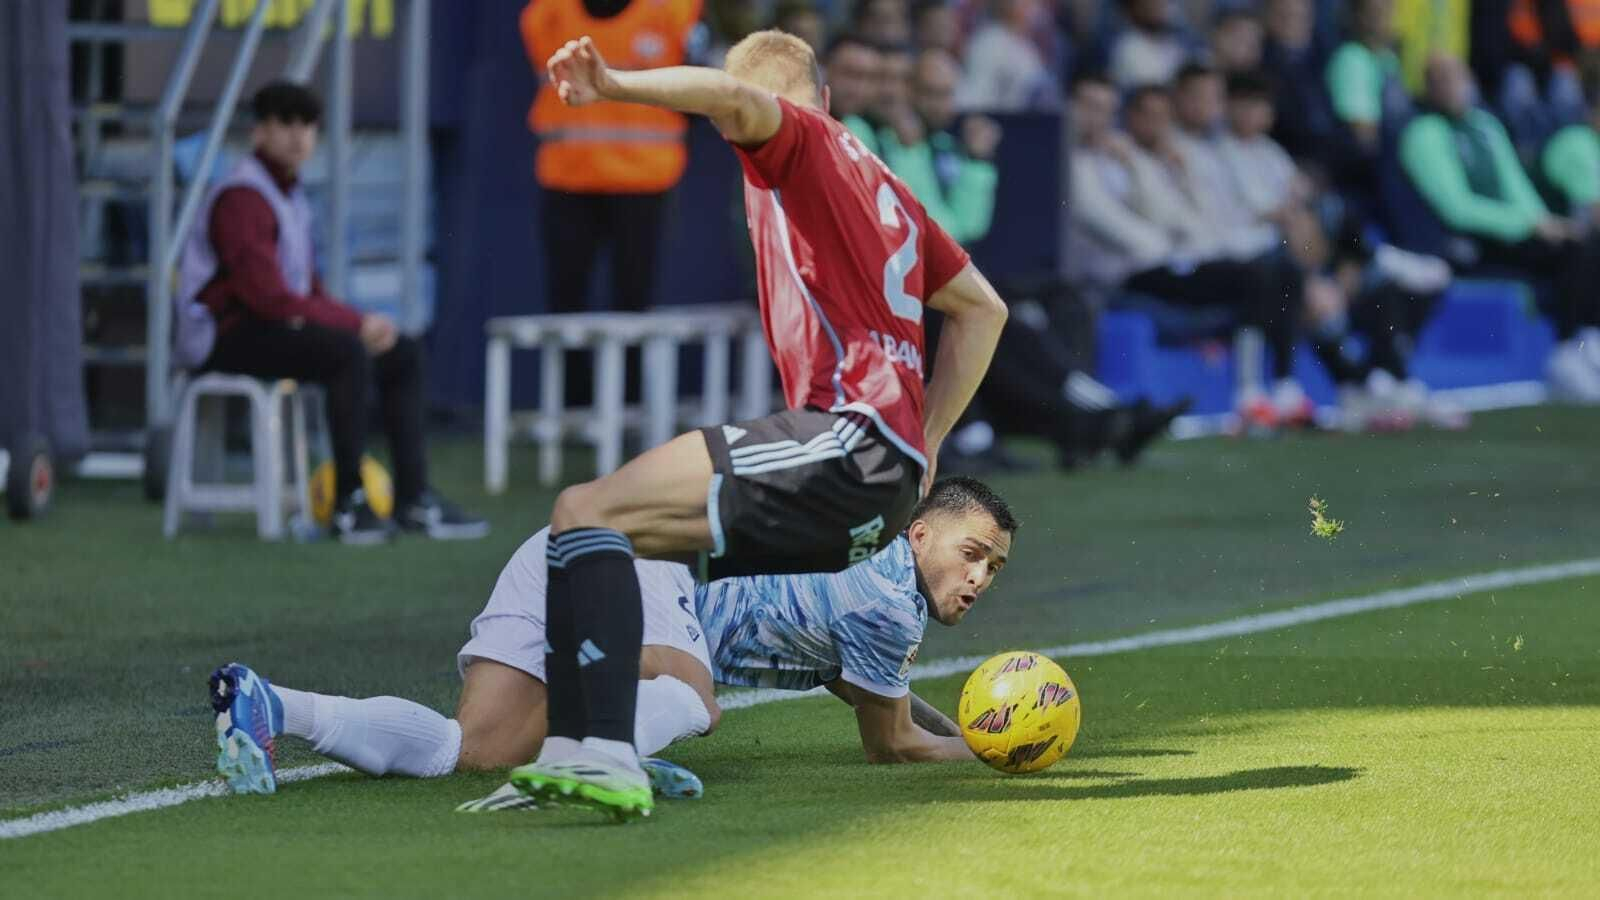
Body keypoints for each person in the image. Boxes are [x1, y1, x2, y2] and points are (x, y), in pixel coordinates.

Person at [515, 30, 1008, 821]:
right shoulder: (891, 188)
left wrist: (613, 83)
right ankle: (584, 749)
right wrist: (930, 443)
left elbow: (742, 99)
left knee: (586, 511)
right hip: (879, 475)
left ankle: (599, 749)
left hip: (845, 439)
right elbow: (984, 310)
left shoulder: (800, 142)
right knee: (613, 539)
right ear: (832, 94)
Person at [207, 478, 1015, 805]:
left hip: (562, 549)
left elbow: (875, 693)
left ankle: (275, 704)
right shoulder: (890, 605)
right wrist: (998, 748)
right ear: (917, 535)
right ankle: (604, 752)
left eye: (994, 567)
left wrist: (955, 727)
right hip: (637, 568)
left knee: (474, 748)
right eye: (970, 552)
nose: (979, 577)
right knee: (697, 703)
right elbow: (892, 746)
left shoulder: (872, 579)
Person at [178, 82, 485, 545]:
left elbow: (309, 291)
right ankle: (348, 503)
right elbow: (266, 298)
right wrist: (354, 326)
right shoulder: (242, 196)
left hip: (268, 327)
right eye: (285, 123)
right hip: (223, 334)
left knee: (400, 351)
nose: (298, 136)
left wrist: (363, 322)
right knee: (344, 352)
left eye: (307, 125)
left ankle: (414, 499)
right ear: (259, 132)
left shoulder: (289, 196)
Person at [1219, 71, 1464, 430]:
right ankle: (1356, 382)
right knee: (1305, 283)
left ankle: (1385, 375)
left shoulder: (1272, 155)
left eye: (1260, 107)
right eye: (1245, 106)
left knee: (1374, 281)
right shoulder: (1222, 154)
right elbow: (1257, 218)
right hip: (1261, 261)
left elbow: (1301, 213)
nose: (1253, 114)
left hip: (1297, 258)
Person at [1064, 72, 1308, 430]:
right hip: (1133, 275)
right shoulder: (1078, 162)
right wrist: (1171, 233)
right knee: (1258, 273)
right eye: (1090, 107)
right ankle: (1248, 391)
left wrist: (1170, 174)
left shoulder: (1140, 156)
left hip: (1174, 262)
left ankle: (1284, 386)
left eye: (1105, 110)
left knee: (1284, 268)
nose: (1098, 118)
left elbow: (1189, 219)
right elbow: (1129, 227)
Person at [519, 0, 701, 405]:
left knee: (633, 304)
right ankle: (572, 409)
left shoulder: (674, 11)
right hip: (568, 176)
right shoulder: (549, 12)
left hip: (644, 180)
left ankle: (628, 407)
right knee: (567, 304)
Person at [1401, 54, 1600, 400]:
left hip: (1513, 231)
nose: (1451, 86)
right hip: (1465, 240)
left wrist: (1544, 221)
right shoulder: (1423, 133)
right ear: (1428, 87)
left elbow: (1514, 184)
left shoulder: (1485, 125)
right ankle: (1568, 351)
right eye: (1440, 78)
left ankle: (1588, 342)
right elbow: (1456, 208)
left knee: (1580, 240)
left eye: (1457, 76)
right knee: (1577, 250)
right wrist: (1528, 224)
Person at [958, 0, 1059, 111]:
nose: (1035, 9)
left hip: (1026, 122)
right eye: (1026, 3)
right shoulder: (988, 43)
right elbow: (974, 98)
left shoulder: (1030, 48)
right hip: (1000, 121)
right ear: (1007, 5)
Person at [1108, 0, 1191, 90]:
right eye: (1151, 4)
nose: (1158, 9)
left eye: (1161, 4)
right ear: (1136, 8)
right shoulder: (1125, 47)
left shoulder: (1177, 42)